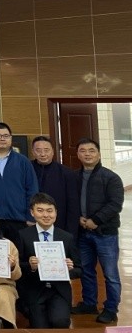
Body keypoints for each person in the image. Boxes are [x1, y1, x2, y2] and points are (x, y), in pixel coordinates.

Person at [72, 137, 124, 324]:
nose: (87, 154)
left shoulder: (111, 178)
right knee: (86, 270)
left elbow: (115, 204)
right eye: (83, 150)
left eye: (91, 150)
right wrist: (77, 217)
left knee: (110, 273)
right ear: (78, 155)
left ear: (99, 154)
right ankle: (89, 303)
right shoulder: (74, 176)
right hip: (82, 233)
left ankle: (111, 308)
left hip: (105, 233)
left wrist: (96, 220)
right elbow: (70, 200)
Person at [18, 192, 82, 329]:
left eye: (49, 211)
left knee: (60, 322)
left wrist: (69, 270)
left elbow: (79, 269)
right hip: (35, 291)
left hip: (59, 291)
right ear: (32, 212)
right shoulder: (23, 235)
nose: (46, 215)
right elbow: (17, 267)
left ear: (56, 213)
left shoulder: (67, 237)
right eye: (40, 210)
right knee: (40, 327)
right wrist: (31, 266)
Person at [0, 122, 38, 249]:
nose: (2, 139)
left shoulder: (23, 161)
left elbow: (32, 189)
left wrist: (30, 216)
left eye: (6, 136)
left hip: (18, 219)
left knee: (18, 255)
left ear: (11, 138)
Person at [30, 136, 80, 238]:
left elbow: (73, 206)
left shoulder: (67, 173)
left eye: (46, 150)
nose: (43, 154)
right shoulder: (26, 170)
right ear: (33, 152)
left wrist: (70, 233)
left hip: (59, 226)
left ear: (53, 151)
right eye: (38, 150)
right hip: (31, 225)